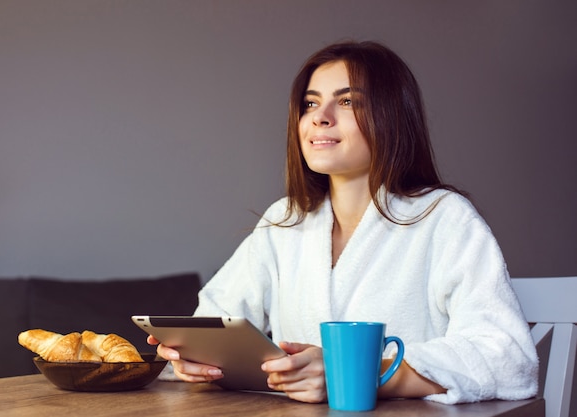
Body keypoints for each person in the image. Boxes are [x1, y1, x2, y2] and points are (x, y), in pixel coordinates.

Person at [148, 40, 538, 404]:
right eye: (310, 104)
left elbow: (507, 356)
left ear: (392, 117)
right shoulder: (285, 221)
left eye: (348, 101)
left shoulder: (443, 217)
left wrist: (357, 374)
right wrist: (194, 358)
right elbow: (215, 321)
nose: (320, 118)